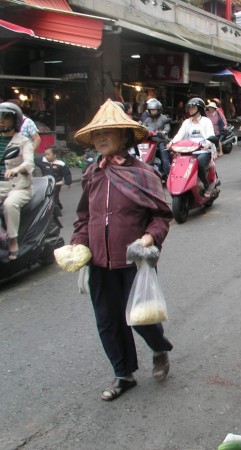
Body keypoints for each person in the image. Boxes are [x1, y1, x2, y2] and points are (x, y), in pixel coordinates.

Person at [70, 99, 174, 401]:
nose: (101, 139)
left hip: (134, 259)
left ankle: (159, 347)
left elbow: (162, 215)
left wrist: (149, 237)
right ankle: (123, 373)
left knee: (141, 316)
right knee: (107, 319)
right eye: (97, 135)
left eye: (109, 132)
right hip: (98, 261)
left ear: (124, 137)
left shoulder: (143, 173)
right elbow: (84, 217)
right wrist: (78, 244)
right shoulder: (92, 174)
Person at [0, 102, 34, 261]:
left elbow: (29, 163)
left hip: (18, 187)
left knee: (9, 204)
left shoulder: (23, 141)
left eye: (6, 117)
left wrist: (16, 169)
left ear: (15, 121)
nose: (2, 120)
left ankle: (13, 240)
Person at [170, 98, 217, 197]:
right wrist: (171, 143)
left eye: (193, 107)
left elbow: (210, 134)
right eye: (189, 107)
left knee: (198, 163)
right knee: (176, 163)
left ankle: (205, 185)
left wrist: (207, 143)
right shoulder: (186, 122)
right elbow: (179, 135)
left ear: (199, 109)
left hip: (204, 151)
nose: (190, 109)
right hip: (187, 151)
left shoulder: (206, 121)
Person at [34, 145, 72, 211]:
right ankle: (55, 207)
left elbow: (67, 174)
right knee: (46, 197)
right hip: (46, 183)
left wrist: (67, 182)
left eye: (48, 154)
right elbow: (31, 160)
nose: (46, 156)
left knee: (54, 196)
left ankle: (56, 209)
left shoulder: (61, 164)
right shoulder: (42, 161)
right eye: (45, 154)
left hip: (56, 184)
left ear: (54, 155)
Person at [141, 98, 172, 178]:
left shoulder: (163, 118)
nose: (153, 112)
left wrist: (164, 132)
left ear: (159, 110)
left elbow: (167, 127)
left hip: (161, 140)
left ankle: (168, 175)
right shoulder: (147, 120)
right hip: (150, 141)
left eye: (154, 110)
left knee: (164, 156)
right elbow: (142, 127)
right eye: (151, 110)